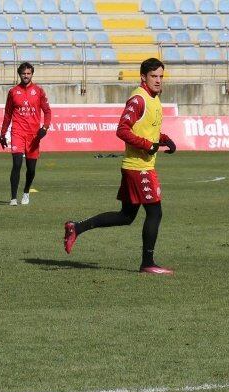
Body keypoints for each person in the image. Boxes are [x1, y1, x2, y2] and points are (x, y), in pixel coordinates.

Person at [63, 58, 176, 275]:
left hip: (139, 165)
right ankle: (148, 263)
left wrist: (164, 139)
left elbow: (146, 130)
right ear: (143, 77)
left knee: (126, 216)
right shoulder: (138, 99)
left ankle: (76, 227)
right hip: (138, 167)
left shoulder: (154, 99)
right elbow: (122, 130)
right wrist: (148, 146)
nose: (158, 80)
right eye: (154, 76)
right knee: (155, 212)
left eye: (161, 76)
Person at [0, 62, 51, 206]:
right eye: (23, 73)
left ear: (32, 74)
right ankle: (13, 198)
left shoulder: (39, 91)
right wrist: (3, 134)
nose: (26, 76)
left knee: (31, 168)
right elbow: (8, 114)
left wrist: (45, 128)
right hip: (17, 132)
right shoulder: (13, 92)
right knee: (16, 164)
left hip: (34, 136)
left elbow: (47, 111)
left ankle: (26, 192)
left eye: (28, 73)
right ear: (19, 74)